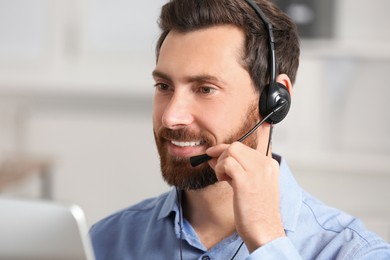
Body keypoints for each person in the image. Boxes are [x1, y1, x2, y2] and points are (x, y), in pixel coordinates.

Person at [90, 0, 390, 259]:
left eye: (205, 89)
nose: (171, 116)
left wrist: (268, 240)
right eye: (164, 86)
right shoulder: (105, 241)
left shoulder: (354, 252)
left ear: (275, 100)